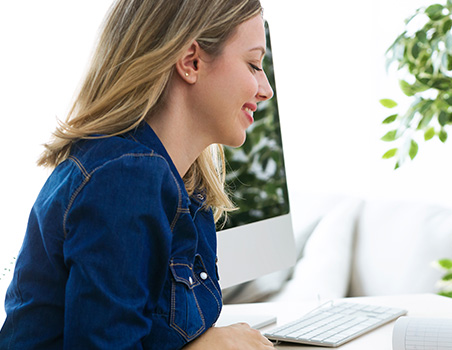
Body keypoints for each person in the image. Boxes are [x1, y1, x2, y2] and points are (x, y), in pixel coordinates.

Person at [0, 0, 276, 348]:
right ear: (191, 61)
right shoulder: (124, 179)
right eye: (253, 64)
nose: (265, 90)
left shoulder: (183, 184)